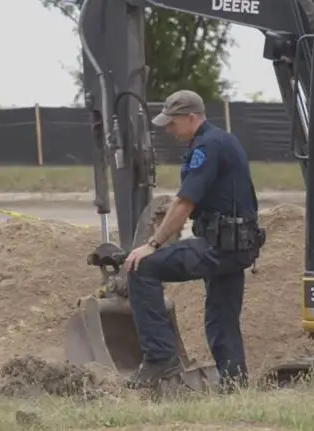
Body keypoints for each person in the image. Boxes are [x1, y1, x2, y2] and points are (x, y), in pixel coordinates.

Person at [122, 89, 265, 390]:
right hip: (238, 245)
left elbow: (184, 203)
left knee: (141, 268)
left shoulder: (207, 146)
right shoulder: (223, 140)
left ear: (192, 117)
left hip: (219, 246)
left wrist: (153, 245)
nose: (168, 129)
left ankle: (161, 359)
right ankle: (234, 385)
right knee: (221, 318)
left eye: (172, 123)